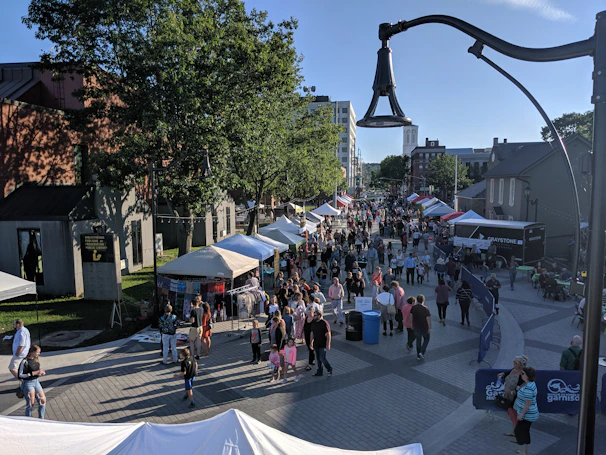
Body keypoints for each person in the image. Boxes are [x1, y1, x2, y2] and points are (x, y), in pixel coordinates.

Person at [497, 355, 528, 436]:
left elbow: (521, 388)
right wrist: (502, 374)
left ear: (521, 364)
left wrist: (511, 392)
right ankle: (515, 431)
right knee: (512, 414)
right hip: (509, 397)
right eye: (514, 362)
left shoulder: (522, 374)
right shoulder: (514, 369)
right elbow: (508, 373)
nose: (514, 363)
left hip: (516, 398)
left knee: (515, 414)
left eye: (516, 362)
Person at [513, 367, 539, 455]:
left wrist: (521, 415)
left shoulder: (528, 388)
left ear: (528, 376)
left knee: (519, 432)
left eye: (523, 373)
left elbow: (527, 404)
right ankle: (524, 450)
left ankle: (523, 452)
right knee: (525, 431)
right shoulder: (530, 384)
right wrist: (519, 389)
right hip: (529, 414)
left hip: (527, 415)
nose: (521, 375)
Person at [18, 345, 46, 419]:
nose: (38, 354)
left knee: (43, 400)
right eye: (37, 352)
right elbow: (20, 375)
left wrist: (40, 373)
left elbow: (37, 370)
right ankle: (28, 419)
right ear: (32, 352)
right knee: (31, 403)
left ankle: (41, 418)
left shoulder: (36, 359)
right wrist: (32, 373)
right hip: (28, 383)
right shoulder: (25, 361)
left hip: (36, 381)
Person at [310, 311, 333, 377]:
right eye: (313, 315)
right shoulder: (313, 322)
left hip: (323, 344)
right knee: (318, 359)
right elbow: (312, 333)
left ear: (319, 316)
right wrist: (311, 342)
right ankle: (319, 371)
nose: (314, 316)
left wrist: (328, 344)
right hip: (316, 343)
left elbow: (328, 333)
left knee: (322, 358)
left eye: (315, 315)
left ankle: (329, 369)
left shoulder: (324, 323)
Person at [411, 294, 431, 360]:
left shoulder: (413, 307)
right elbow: (428, 319)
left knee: (418, 341)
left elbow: (411, 316)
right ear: (423, 300)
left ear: (417, 300)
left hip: (416, 326)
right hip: (424, 327)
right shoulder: (425, 308)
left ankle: (418, 355)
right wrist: (429, 328)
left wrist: (412, 324)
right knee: (426, 339)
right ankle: (422, 352)